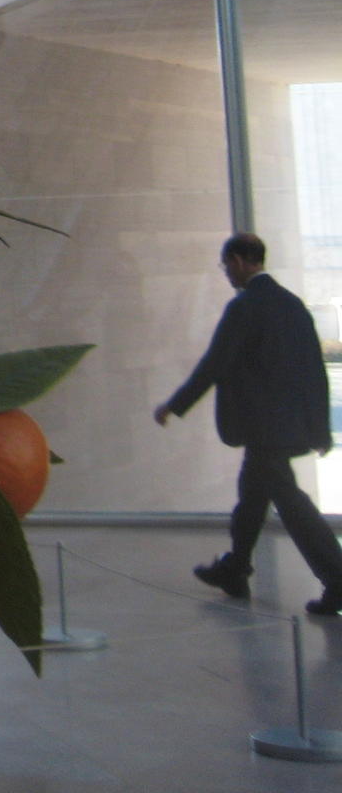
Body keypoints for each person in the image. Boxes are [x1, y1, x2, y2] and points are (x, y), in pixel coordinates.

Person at [154, 233, 342, 615]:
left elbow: (214, 364)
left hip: (262, 427)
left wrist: (174, 405)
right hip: (287, 426)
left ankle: (338, 579)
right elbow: (313, 371)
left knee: (292, 505)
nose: (226, 273)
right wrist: (320, 428)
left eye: (226, 265)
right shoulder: (292, 305)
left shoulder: (244, 307)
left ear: (239, 261)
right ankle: (235, 568)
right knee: (252, 496)